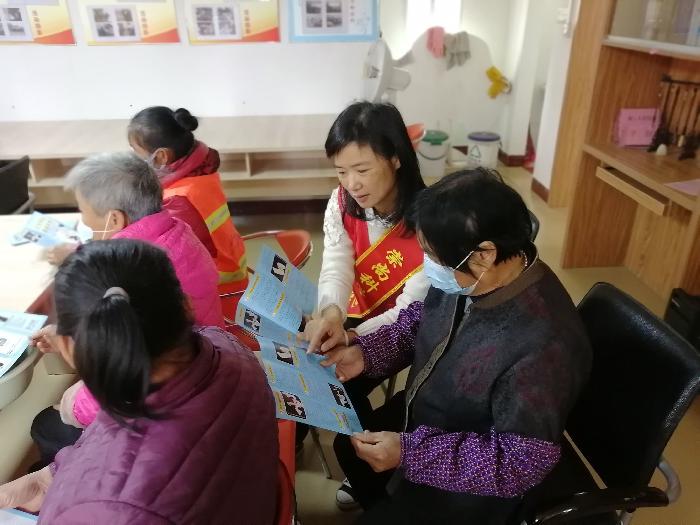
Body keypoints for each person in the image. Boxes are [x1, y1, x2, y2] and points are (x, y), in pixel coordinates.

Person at [322, 169, 592, 524]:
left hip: (474, 483)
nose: (429, 267)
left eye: (433, 258)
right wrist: (368, 354)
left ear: (485, 254)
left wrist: (411, 454)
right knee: (348, 447)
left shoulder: (543, 344)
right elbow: (422, 320)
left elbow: (519, 461)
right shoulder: (471, 274)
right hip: (431, 413)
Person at [0, 240, 278, 524]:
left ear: (68, 349)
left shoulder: (114, 512)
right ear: (186, 306)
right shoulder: (228, 348)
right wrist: (51, 478)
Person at [31, 152, 225, 467]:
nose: (83, 221)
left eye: (84, 212)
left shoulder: (127, 282)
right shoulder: (175, 231)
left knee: (47, 425)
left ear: (115, 219)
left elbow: (128, 375)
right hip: (206, 361)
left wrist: (72, 405)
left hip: (171, 400)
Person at [299, 102, 429, 506]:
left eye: (362, 169)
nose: (351, 184)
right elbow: (336, 263)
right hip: (353, 314)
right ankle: (299, 434)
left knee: (338, 376)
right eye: (341, 171)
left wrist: (350, 337)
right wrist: (331, 314)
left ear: (396, 158)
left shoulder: (429, 221)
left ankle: (364, 465)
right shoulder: (342, 202)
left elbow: (410, 312)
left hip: (402, 330)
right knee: (303, 357)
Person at [128, 106, 248, 315]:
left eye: (136, 152)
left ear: (161, 156)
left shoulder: (178, 200)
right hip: (232, 264)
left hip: (218, 291)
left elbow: (168, 257)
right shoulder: (200, 170)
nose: (134, 158)